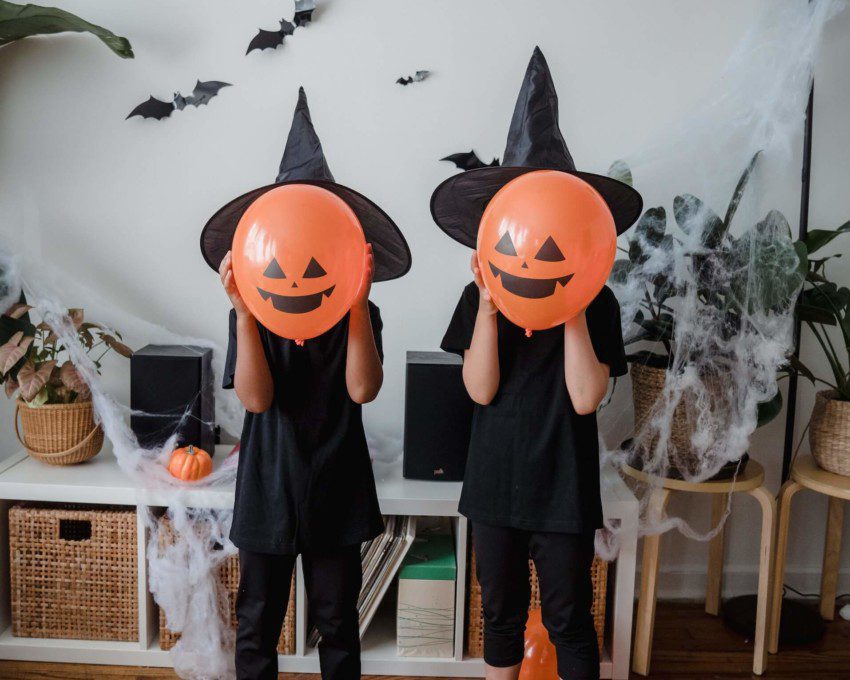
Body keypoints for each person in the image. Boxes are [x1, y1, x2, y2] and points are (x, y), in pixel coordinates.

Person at [432, 48, 641, 680]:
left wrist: (575, 299)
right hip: (494, 482)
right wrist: (491, 306)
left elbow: (585, 398)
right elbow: (479, 388)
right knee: (497, 616)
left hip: (564, 487)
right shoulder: (477, 299)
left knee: (569, 618)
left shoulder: (598, 304)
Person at [200, 87, 411, 680]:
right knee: (257, 619)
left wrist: (357, 306)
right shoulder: (253, 314)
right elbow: (256, 399)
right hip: (267, 485)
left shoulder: (360, 314)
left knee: (338, 621)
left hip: (338, 484)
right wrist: (244, 310)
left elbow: (364, 389)